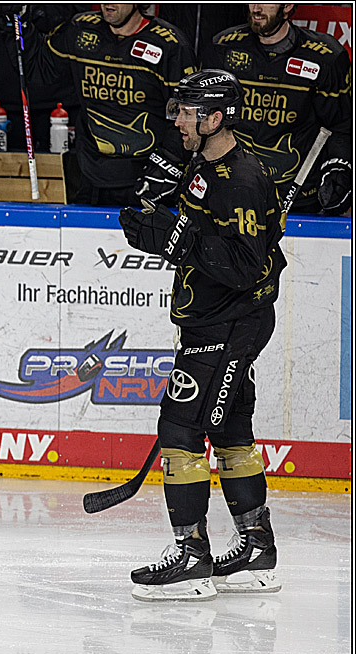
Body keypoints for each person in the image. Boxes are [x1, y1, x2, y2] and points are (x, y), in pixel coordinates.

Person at [119, 69, 283, 601]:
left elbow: (244, 264)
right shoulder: (205, 163)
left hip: (228, 323)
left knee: (182, 429)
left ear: (214, 118)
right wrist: (166, 234)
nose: (178, 120)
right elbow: (206, 239)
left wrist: (178, 238)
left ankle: (191, 556)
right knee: (232, 426)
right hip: (217, 318)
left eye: (187, 111)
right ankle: (256, 544)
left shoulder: (240, 179)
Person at [21, 4, 197, 206]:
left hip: (148, 177)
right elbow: (38, 72)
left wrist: (170, 162)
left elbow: (190, 112)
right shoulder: (80, 28)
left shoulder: (170, 44)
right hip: (89, 175)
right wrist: (19, 24)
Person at [210, 4, 352, 215]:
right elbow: (203, 117)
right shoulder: (223, 47)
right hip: (232, 192)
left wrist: (338, 168)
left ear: (287, 6)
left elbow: (341, 125)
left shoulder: (326, 57)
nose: (256, 8)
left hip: (298, 199)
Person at [0, 4, 88, 153]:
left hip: (60, 104)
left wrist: (27, 10)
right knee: (1, 173)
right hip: (5, 106)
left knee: (67, 172)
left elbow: (74, 18)